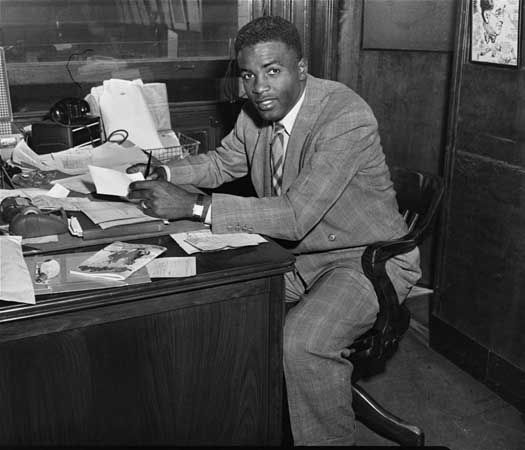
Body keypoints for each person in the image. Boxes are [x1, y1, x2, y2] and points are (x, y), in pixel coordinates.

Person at [127, 15, 421, 446]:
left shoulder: (345, 114)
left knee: (301, 343)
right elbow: (220, 164)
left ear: (301, 68)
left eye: (273, 71)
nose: (259, 87)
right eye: (249, 75)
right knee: (207, 296)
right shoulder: (255, 114)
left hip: (365, 261)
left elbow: (296, 215)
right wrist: (160, 170)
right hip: (297, 256)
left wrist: (192, 204)